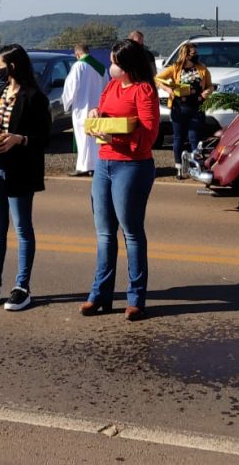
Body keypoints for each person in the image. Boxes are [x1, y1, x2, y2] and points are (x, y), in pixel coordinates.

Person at [82, 38, 161, 321]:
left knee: (131, 232)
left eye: (115, 62)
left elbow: (150, 134)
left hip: (132, 165)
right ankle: (100, 294)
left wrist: (115, 137)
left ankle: (136, 298)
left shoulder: (144, 90)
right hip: (104, 162)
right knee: (104, 233)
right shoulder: (112, 86)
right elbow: (103, 113)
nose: (111, 66)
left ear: (128, 65)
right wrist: (95, 116)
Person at [0, 44, 52, 312]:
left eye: (0, 66)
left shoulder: (34, 96)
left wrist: (21, 139)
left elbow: (44, 138)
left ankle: (21, 287)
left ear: (12, 66)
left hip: (20, 170)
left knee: (22, 229)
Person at [155, 43, 214, 170]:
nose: (196, 56)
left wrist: (206, 92)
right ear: (185, 55)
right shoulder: (175, 68)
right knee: (178, 137)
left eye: (196, 53)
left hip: (197, 106)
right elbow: (157, 79)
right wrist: (168, 89)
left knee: (194, 137)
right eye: (193, 54)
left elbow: (210, 85)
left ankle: (195, 165)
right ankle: (178, 165)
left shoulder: (202, 68)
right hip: (179, 107)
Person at [61, 43, 106, 177]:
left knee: (83, 137)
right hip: (97, 107)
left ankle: (83, 166)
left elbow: (71, 87)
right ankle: (96, 165)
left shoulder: (78, 66)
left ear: (77, 54)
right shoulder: (101, 68)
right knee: (95, 137)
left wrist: (66, 103)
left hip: (82, 107)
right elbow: (106, 87)